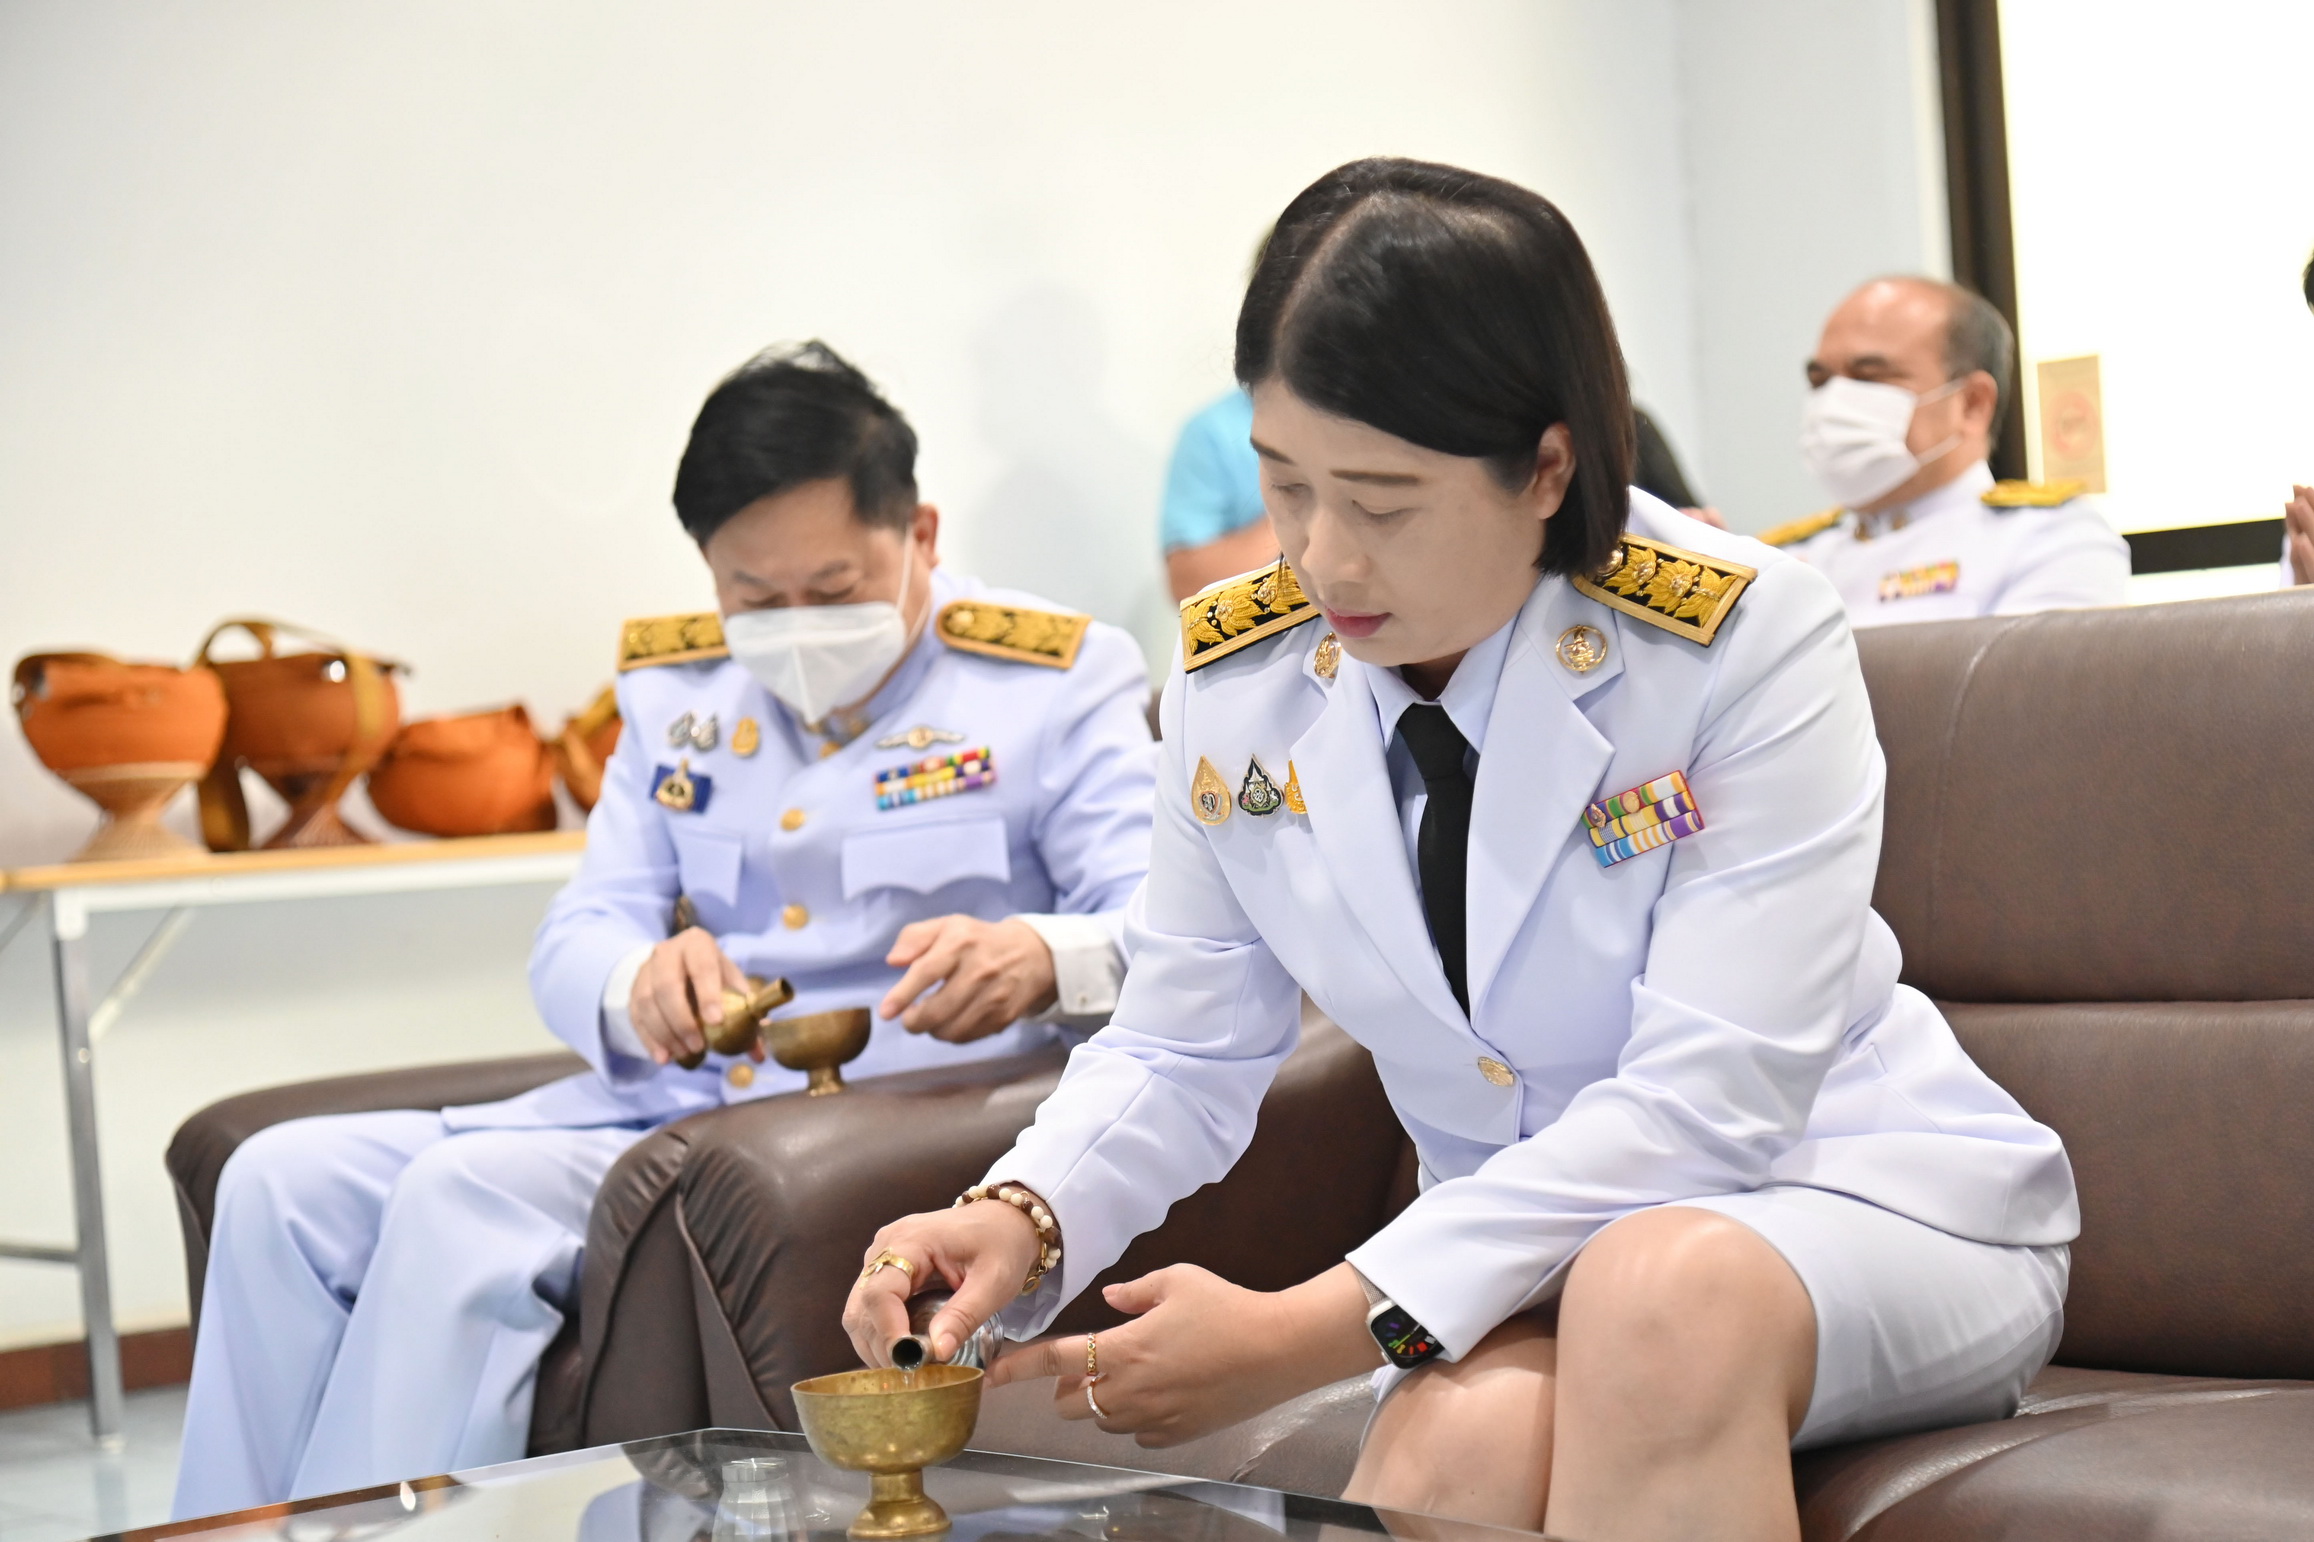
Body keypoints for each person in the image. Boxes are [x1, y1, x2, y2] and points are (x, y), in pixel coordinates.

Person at [843, 160, 2076, 1541]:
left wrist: (1312, 1326)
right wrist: (1024, 1212)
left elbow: (1706, 1103)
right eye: (1284, 486)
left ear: (1546, 466)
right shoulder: (1238, 676)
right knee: (1454, 1449)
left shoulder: (1739, 639)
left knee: (1656, 1292)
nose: (1322, 560)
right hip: (1518, 1261)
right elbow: (1183, 1038)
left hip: (1851, 1197)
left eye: (1381, 503)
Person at [172, 343, 1156, 1518]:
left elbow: (1171, 924)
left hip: (894, 1120)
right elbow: (580, 927)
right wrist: (638, 976)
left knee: (460, 1196)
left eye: (833, 587)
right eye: (754, 598)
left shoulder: (1046, 680)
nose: (794, 626)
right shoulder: (676, 693)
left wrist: (1046, 956)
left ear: (922, 536)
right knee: (278, 1180)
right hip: (668, 1110)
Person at [1758, 276, 2129, 625]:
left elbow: (2022, 673)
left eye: (1870, 377)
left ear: (1972, 404)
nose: (1834, 402)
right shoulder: (1777, 559)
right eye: (1820, 380)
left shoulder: (2051, 539)